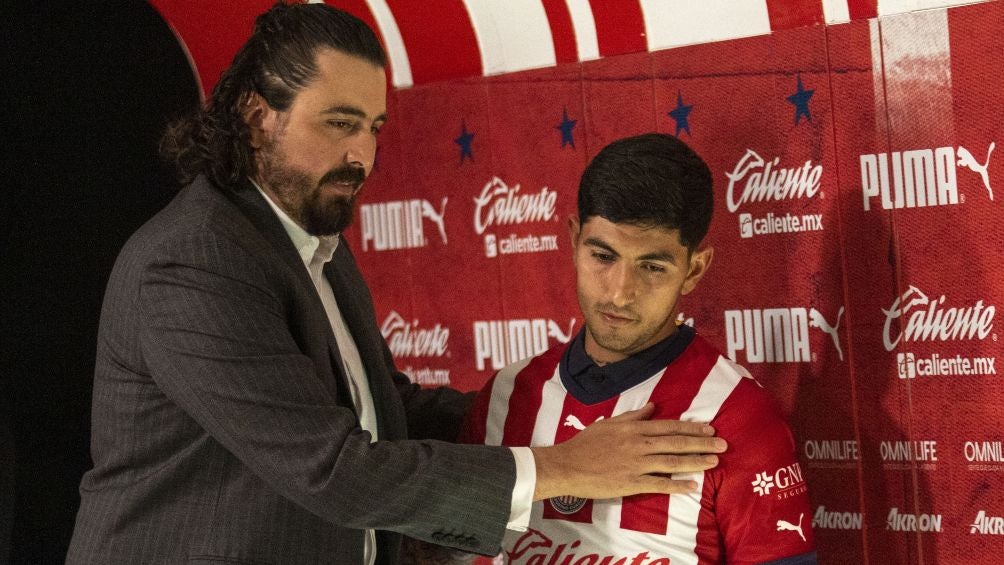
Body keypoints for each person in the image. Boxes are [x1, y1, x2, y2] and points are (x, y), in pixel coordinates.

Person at [66, 4, 727, 564]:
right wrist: (567, 465)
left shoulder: (311, 237)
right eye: (339, 123)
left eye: (374, 127)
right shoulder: (196, 262)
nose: (362, 155)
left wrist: (552, 410)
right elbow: (335, 469)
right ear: (258, 116)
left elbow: (384, 412)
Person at [460, 134, 817, 564]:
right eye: (603, 256)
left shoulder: (734, 415)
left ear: (694, 270)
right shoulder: (506, 395)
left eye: (651, 266)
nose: (619, 292)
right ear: (574, 241)